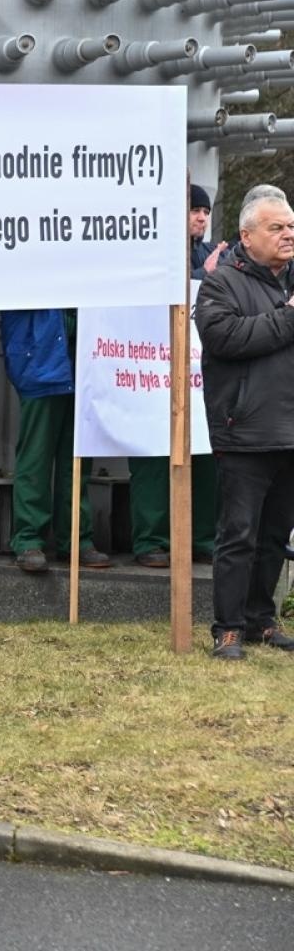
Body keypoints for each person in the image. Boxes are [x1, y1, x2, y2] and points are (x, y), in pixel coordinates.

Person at [194, 194, 294, 660]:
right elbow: (227, 338)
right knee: (238, 536)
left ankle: (260, 621)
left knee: (275, 535)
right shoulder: (220, 285)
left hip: (290, 432)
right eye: (276, 228)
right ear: (248, 236)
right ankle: (228, 628)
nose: (288, 235)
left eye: (290, 226)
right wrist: (290, 315)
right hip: (245, 432)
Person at [130, 184, 220, 568]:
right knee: (153, 454)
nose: (201, 217)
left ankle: (202, 537)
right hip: (151, 366)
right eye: (194, 210)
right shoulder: (151, 249)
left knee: (204, 450)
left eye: (205, 211)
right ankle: (151, 540)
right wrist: (205, 274)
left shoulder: (207, 251)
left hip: (196, 369)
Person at [0, 310, 110, 573]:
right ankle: (28, 538)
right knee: (36, 454)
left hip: (84, 351)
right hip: (40, 351)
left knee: (78, 454)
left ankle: (76, 538)